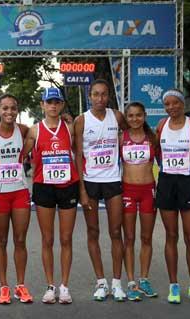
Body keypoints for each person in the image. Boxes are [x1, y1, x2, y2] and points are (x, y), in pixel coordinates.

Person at [23, 87, 79, 304]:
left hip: (67, 186)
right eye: (49, 102)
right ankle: (50, 286)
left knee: (66, 238)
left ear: (62, 105)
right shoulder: (34, 131)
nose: (53, 105)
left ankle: (64, 286)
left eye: (57, 102)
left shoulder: (71, 128)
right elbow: (19, 155)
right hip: (44, 187)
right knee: (48, 239)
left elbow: (81, 154)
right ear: (42, 105)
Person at [73, 79, 128, 302]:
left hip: (113, 179)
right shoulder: (81, 120)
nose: (100, 98)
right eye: (95, 94)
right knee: (93, 231)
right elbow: (77, 155)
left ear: (108, 97)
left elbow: (133, 134)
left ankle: (117, 283)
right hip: (91, 180)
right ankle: (101, 282)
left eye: (104, 94)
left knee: (116, 232)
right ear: (90, 96)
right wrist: (82, 190)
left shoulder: (117, 116)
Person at [155, 89, 190, 306]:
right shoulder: (161, 126)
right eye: (167, 104)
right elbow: (157, 153)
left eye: (175, 103)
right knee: (171, 236)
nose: (171, 107)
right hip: (167, 182)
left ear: (182, 104)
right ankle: (174, 286)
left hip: (187, 184)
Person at [0, 94, 33, 304]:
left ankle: (20, 285)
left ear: (17, 110)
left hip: (19, 191)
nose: (9, 112)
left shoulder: (23, 130)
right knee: (1, 240)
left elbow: (40, 136)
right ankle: (4, 287)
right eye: (5, 108)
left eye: (13, 108)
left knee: (20, 240)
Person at [120, 102, 159, 301]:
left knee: (146, 237)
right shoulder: (121, 138)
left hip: (148, 191)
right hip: (127, 190)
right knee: (129, 238)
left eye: (138, 115)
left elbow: (165, 162)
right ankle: (130, 281)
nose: (135, 119)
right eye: (131, 116)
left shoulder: (153, 139)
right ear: (126, 118)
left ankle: (144, 278)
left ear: (145, 116)